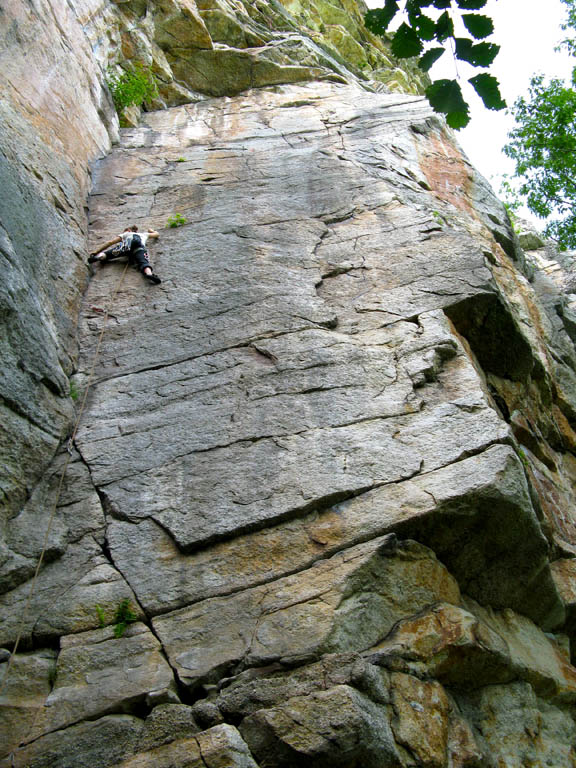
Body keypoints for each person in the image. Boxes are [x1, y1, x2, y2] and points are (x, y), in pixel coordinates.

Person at [89, 225, 162, 284]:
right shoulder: (144, 234)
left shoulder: (126, 233)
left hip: (126, 246)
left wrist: (96, 252)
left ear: (129, 230)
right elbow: (157, 234)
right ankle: (149, 274)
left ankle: (99, 257)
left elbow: (110, 242)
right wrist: (151, 230)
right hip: (139, 247)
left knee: (108, 254)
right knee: (144, 261)